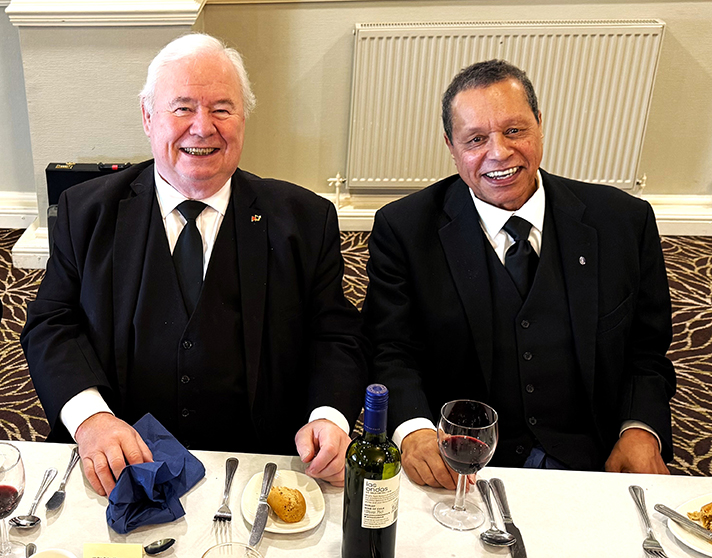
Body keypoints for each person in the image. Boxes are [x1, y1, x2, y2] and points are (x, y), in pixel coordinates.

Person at [22, 33, 367, 496]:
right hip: (122, 459)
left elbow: (336, 334)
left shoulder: (305, 220)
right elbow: (51, 323)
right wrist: (91, 418)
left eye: (222, 109)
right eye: (182, 108)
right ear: (148, 117)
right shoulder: (86, 211)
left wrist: (329, 416)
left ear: (243, 119)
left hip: (258, 463)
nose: (203, 128)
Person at [363, 59, 675, 489]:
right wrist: (414, 430)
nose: (499, 153)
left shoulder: (624, 222)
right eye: (476, 139)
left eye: (514, 130)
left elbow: (647, 349)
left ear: (539, 124)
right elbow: (390, 350)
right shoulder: (403, 229)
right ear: (451, 146)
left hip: (593, 455)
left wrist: (640, 429)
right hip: (458, 461)